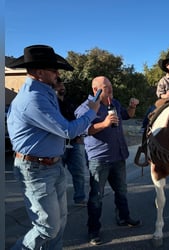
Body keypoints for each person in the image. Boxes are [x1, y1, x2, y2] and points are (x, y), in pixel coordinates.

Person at [6, 45, 100, 250]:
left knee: (60, 223)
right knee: (47, 227)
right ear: (40, 72)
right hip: (36, 170)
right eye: (54, 70)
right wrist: (91, 112)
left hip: (51, 166)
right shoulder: (34, 98)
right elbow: (67, 130)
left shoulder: (45, 93)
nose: (58, 74)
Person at [74, 76, 141, 246]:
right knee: (96, 196)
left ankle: (124, 217)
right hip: (99, 159)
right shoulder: (86, 108)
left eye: (111, 86)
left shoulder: (114, 103)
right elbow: (82, 131)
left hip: (118, 156)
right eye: (106, 87)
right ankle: (93, 230)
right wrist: (103, 124)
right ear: (96, 90)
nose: (110, 89)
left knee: (122, 191)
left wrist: (132, 107)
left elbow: (127, 115)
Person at [54, 77, 88, 206]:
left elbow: (78, 120)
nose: (62, 86)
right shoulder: (52, 103)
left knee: (79, 171)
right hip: (59, 143)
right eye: (58, 84)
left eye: (63, 84)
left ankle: (80, 198)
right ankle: (57, 201)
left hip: (75, 142)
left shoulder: (71, 102)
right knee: (58, 174)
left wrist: (80, 135)